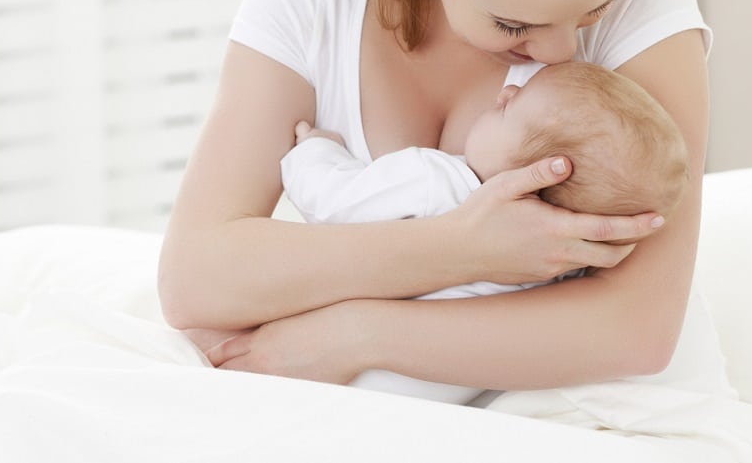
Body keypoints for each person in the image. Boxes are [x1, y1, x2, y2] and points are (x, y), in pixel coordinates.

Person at [158, 0, 711, 397]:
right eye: (514, 24)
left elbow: (637, 330)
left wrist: (350, 335)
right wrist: (461, 247)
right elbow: (197, 280)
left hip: (589, 404)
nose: (563, 53)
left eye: (595, 9)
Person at [281, 60, 690, 404]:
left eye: (510, 110)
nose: (504, 94)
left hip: (353, 385)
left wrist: (316, 149)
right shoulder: (565, 266)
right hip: (435, 401)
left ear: (537, 174)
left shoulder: (436, 181)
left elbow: (331, 200)